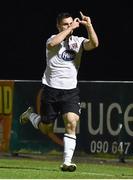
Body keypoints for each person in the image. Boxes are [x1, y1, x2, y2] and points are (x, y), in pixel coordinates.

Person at [20, 11, 99, 172]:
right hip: (51, 90)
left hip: (70, 92)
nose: (69, 26)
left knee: (71, 122)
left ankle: (67, 162)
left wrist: (89, 25)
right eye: (65, 24)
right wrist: (69, 30)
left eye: (71, 23)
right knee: (46, 128)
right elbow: (52, 43)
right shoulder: (52, 39)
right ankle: (31, 115)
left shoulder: (78, 41)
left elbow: (94, 44)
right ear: (58, 26)